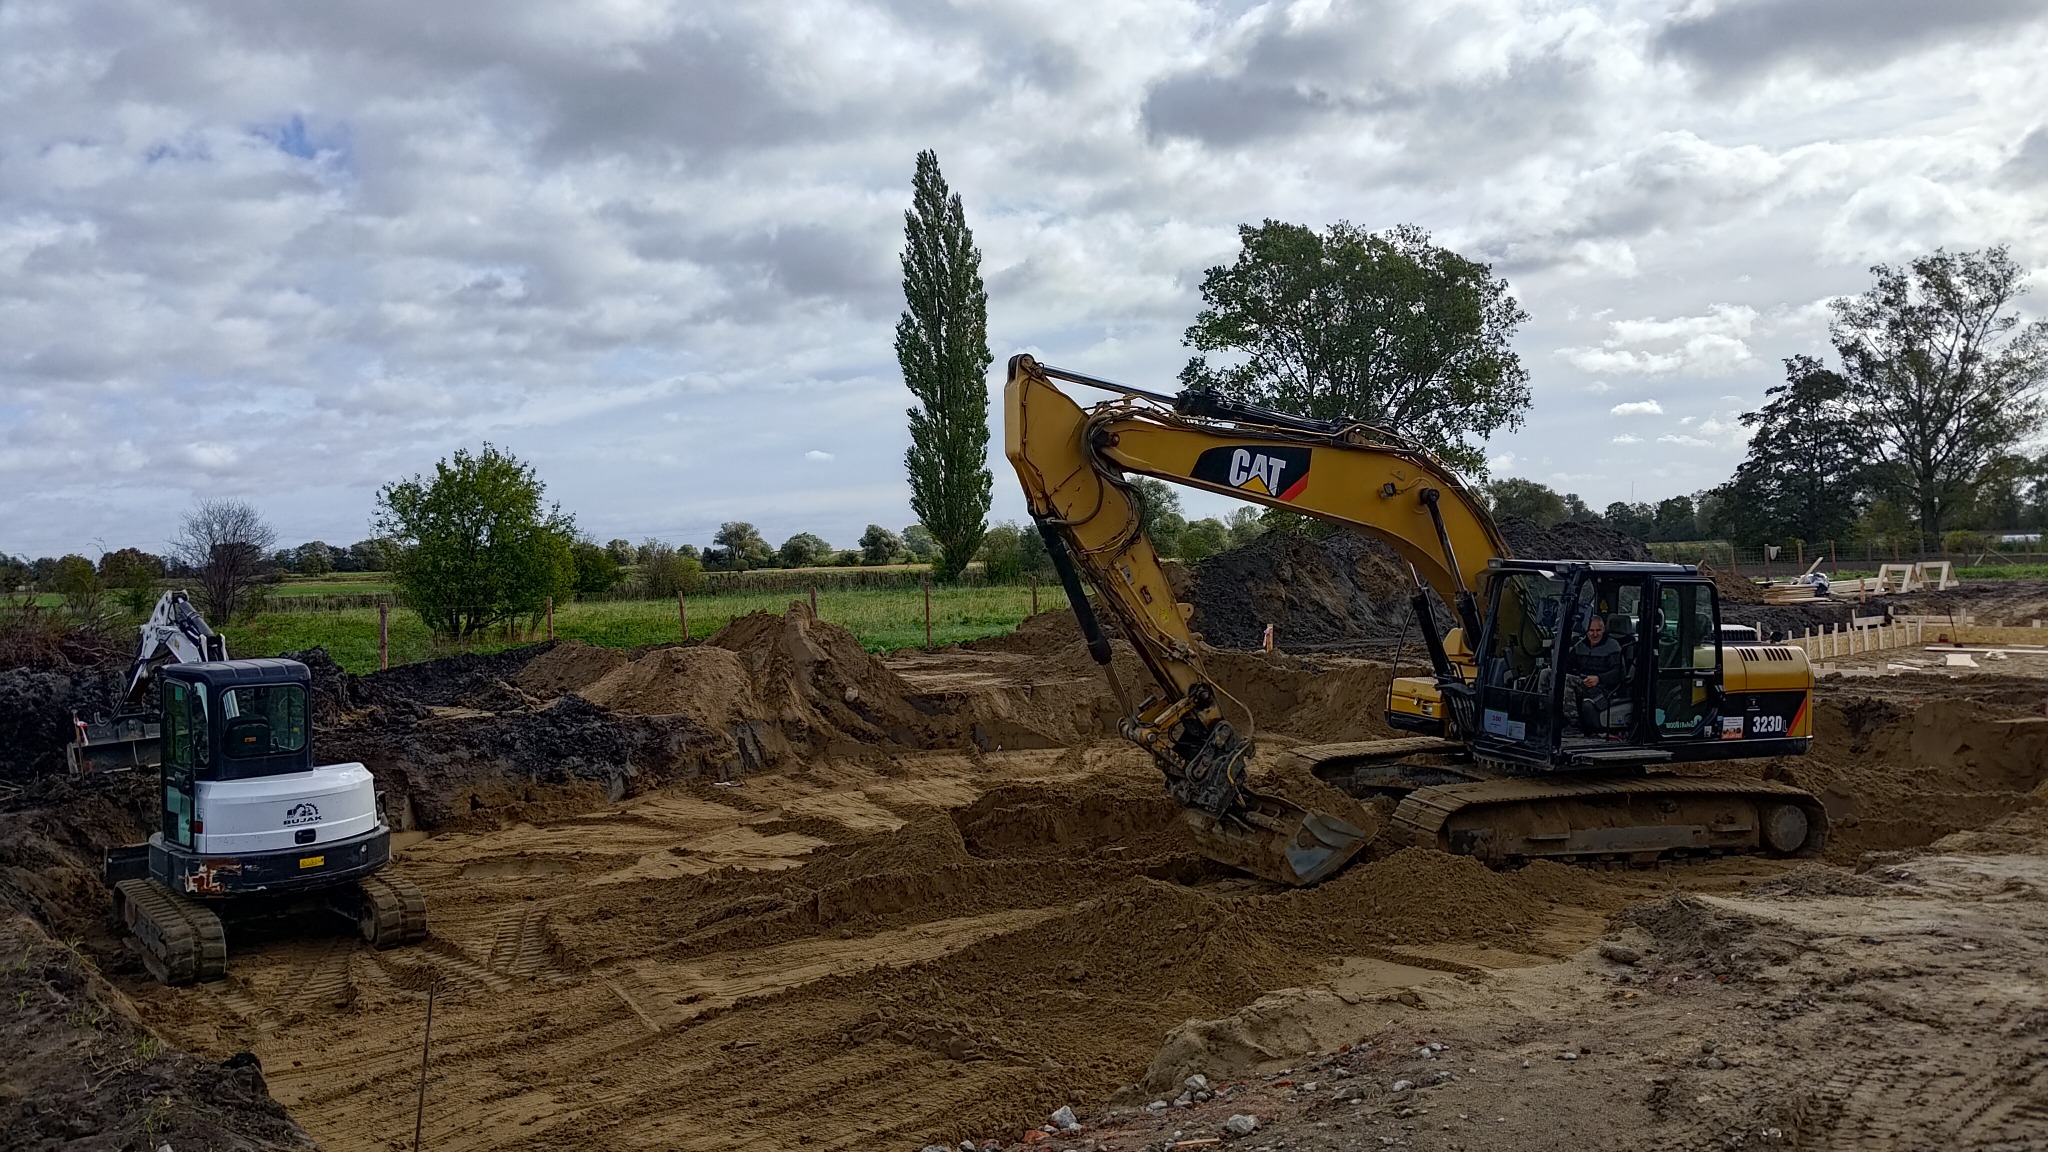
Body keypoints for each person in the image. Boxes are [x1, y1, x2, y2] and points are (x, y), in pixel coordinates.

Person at [1569, 613, 1626, 734]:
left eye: (1598, 630)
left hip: (1602, 688)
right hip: (1582, 683)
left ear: (1604, 629)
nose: (1595, 634)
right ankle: (1543, 716)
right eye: (1591, 630)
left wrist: (1598, 679)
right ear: (1586, 630)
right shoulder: (1580, 646)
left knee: (1566, 682)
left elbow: (1619, 673)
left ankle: (1573, 723)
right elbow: (1566, 666)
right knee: (1547, 674)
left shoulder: (1612, 646)